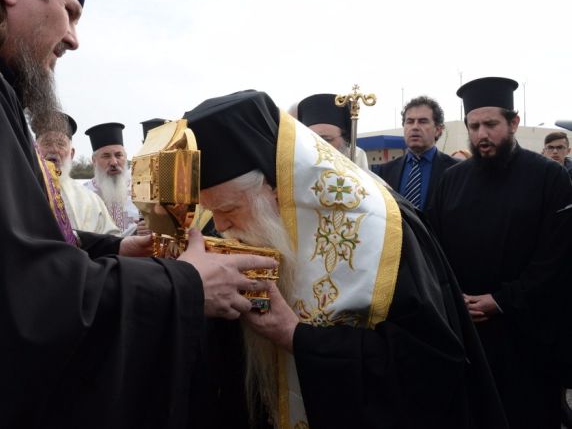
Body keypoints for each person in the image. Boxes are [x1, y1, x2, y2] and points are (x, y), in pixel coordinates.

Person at [0, 0, 276, 428]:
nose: (73, 38)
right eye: (70, 11)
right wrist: (184, 286)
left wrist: (112, 250)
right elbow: (14, 300)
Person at [184, 90, 507, 429]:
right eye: (211, 209)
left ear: (278, 191)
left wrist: (295, 336)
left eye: (229, 209)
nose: (220, 226)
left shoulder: (382, 230)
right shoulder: (231, 226)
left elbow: (428, 365)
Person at [429, 77, 572, 428]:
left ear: (513, 122)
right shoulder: (450, 181)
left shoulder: (549, 177)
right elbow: (434, 249)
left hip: (528, 337)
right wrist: (455, 300)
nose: (482, 134)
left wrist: (501, 300)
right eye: (474, 126)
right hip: (469, 333)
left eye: (491, 124)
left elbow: (556, 257)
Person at [35, 112, 120, 235]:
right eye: (47, 143)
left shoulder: (90, 200)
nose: (54, 149)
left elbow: (111, 239)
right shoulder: (17, 190)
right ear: (35, 149)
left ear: (72, 154)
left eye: (60, 144)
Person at [373, 96, 458, 211]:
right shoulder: (385, 171)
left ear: (438, 130)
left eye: (423, 121)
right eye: (410, 121)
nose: (415, 127)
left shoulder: (456, 170)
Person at [84, 122, 145, 235]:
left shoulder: (142, 188)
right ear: (94, 160)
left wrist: (149, 228)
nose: (113, 162)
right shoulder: (84, 194)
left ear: (125, 157)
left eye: (118, 155)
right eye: (106, 156)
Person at [295, 93, 371, 171]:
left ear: (344, 139)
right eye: (311, 141)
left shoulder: (356, 155)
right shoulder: (296, 158)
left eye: (326, 140)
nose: (317, 147)